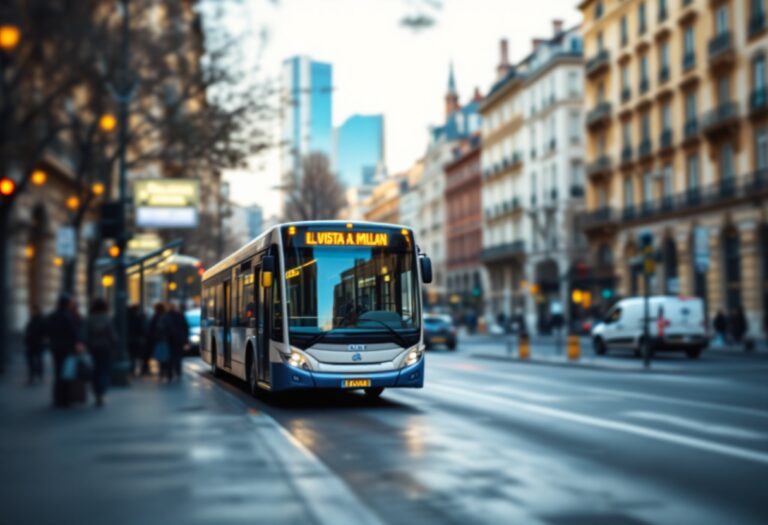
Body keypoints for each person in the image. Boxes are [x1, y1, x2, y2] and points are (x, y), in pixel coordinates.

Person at [46, 294, 80, 407]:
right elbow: (72, 333)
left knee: (58, 372)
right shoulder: (67, 316)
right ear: (66, 304)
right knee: (66, 373)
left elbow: (46, 329)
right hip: (66, 349)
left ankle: (58, 398)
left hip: (55, 347)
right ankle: (64, 399)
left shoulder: (53, 315)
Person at [85, 298, 117, 407]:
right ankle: (102, 393)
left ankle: (97, 391)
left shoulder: (89, 319)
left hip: (93, 348)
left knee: (95, 370)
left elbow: (86, 335)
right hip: (105, 348)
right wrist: (114, 344)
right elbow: (112, 335)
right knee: (104, 370)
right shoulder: (107, 319)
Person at [166, 302, 189, 381]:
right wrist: (185, 341)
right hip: (179, 340)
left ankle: (170, 373)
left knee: (170, 357)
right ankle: (178, 371)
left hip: (169, 340)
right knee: (178, 357)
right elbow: (185, 328)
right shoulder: (180, 316)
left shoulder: (166, 316)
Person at [24, 305, 47, 384]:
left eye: (34, 310)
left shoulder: (41, 320)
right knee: (31, 360)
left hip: (38, 343)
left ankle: (39, 375)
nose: (32, 312)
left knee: (39, 360)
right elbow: (28, 331)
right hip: (31, 343)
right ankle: (32, 375)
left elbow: (44, 332)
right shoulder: (31, 320)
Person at [148, 302, 170, 380]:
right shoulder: (166, 316)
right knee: (165, 356)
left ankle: (162, 372)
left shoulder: (156, 317)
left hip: (159, 339)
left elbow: (151, 329)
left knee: (161, 356)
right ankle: (165, 372)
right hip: (165, 339)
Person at [127, 304, 146, 376]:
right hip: (135, 339)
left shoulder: (127, 317)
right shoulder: (137, 317)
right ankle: (132, 369)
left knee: (131, 355)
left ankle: (131, 369)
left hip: (129, 339)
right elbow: (141, 329)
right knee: (134, 356)